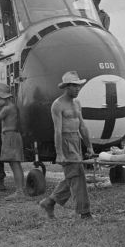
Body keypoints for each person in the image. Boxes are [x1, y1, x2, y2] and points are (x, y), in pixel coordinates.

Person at [39, 71, 94, 220]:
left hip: (76, 139)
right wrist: (59, 153)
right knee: (78, 175)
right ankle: (85, 213)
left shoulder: (77, 103)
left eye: (79, 86)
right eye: (75, 86)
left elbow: (82, 126)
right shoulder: (57, 105)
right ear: (67, 87)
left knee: (73, 175)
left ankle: (49, 202)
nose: (78, 89)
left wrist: (89, 146)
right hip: (65, 141)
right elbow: (57, 130)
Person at [0, 83, 25, 200]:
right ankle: (20, 190)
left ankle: (19, 192)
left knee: (15, 164)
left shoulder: (6, 108)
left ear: (2, 97)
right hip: (13, 135)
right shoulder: (13, 106)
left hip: (10, 136)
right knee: (15, 164)